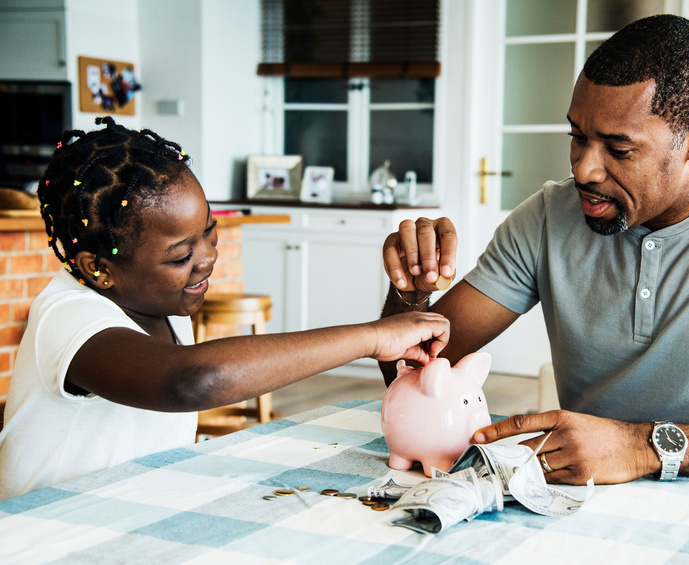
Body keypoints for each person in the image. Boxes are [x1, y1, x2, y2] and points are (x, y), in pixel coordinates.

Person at [380, 14, 689, 485]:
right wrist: (411, 293)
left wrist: (645, 447)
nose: (584, 170)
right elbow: (410, 374)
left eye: (618, 150)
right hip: (582, 504)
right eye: (578, 137)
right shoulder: (547, 216)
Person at [0, 117, 450, 501]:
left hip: (129, 510)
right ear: (99, 269)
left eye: (209, 231)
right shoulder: (68, 315)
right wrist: (371, 337)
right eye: (180, 256)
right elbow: (193, 380)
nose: (208, 256)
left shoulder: (160, 303)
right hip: (44, 529)